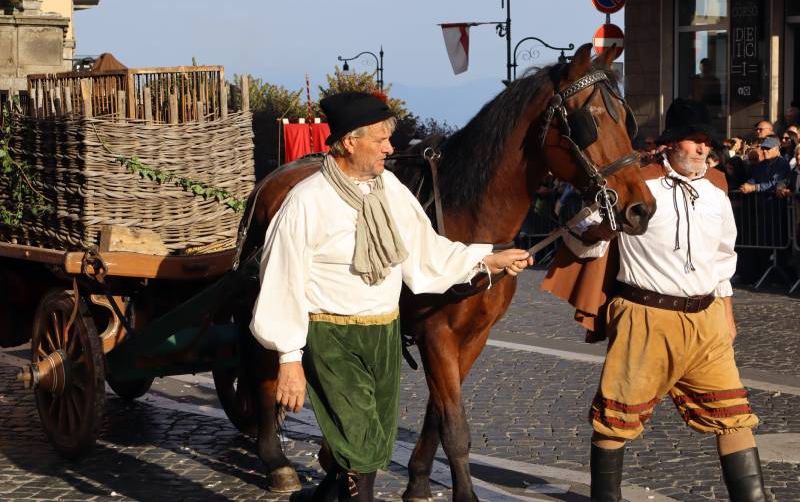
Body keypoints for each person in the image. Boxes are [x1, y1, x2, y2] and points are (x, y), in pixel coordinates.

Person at [249, 91, 533, 501]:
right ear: (349, 142)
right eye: (380, 140)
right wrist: (290, 359)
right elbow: (282, 281)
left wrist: (489, 259)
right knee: (361, 447)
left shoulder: (391, 191)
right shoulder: (306, 202)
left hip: (383, 334)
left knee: (372, 444)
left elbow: (425, 251)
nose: (390, 148)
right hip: (332, 338)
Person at [542, 98, 766, 501]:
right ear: (669, 144)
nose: (703, 151)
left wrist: (726, 314)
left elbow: (723, 258)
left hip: (707, 321)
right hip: (645, 318)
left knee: (735, 418)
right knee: (616, 419)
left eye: (707, 144)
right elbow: (578, 232)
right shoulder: (636, 184)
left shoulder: (715, 190)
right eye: (694, 142)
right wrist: (600, 231)